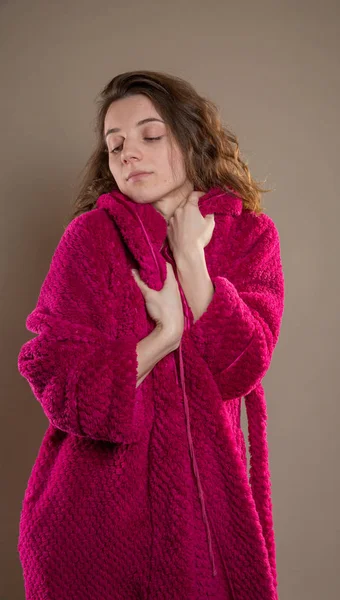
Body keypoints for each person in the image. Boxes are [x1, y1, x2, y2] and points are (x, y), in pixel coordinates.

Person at [17, 70, 285, 600]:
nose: (127, 154)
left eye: (150, 135)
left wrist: (191, 262)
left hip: (204, 522)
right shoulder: (90, 239)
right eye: (114, 144)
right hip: (89, 524)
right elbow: (55, 374)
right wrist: (164, 336)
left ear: (190, 138)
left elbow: (243, 366)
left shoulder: (250, 235)